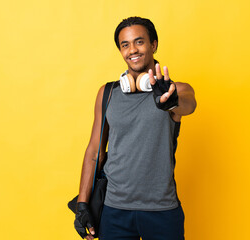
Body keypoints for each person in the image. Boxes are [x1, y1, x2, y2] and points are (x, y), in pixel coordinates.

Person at [74, 16, 197, 240]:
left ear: (153, 45)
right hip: (114, 210)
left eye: (139, 42)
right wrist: (83, 204)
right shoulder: (107, 93)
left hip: (162, 209)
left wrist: (173, 99)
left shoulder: (172, 90)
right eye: (125, 44)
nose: (132, 50)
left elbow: (189, 103)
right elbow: (94, 152)